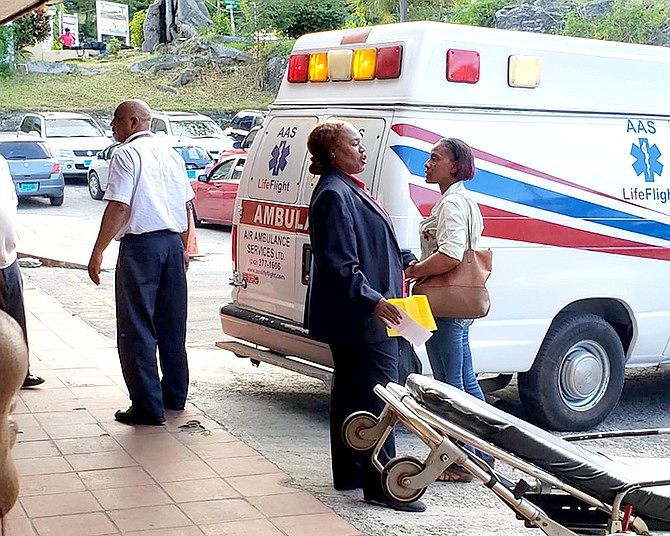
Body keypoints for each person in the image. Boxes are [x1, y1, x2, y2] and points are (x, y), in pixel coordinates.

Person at [306, 119, 424, 512]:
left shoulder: (347, 188)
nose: (363, 149)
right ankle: (382, 482)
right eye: (355, 144)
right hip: (362, 318)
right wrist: (375, 301)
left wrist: (404, 260)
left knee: (352, 394)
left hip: (361, 315)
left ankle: (352, 471)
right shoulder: (333, 195)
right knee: (379, 398)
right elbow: (340, 265)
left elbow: (368, 246)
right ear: (334, 153)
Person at [87, 99, 195, 426]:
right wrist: (184, 247)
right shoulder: (170, 153)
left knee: (137, 328)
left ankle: (148, 406)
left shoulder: (126, 155)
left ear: (133, 122)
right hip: (171, 246)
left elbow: (119, 207)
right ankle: (174, 395)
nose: (112, 127)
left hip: (142, 247)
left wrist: (97, 251)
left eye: (116, 120)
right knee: (172, 324)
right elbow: (187, 205)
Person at [405, 138, 492, 482]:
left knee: (450, 385)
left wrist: (415, 270)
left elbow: (452, 254)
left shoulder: (453, 203)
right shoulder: (460, 200)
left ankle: (462, 461)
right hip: (455, 305)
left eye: (435, 158)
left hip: (445, 304)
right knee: (465, 381)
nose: (427, 164)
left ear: (455, 166)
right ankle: (482, 454)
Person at [0, 153, 45, 389]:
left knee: (16, 319)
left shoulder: (1, 162)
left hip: (8, 255)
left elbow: (10, 201)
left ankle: (21, 372)